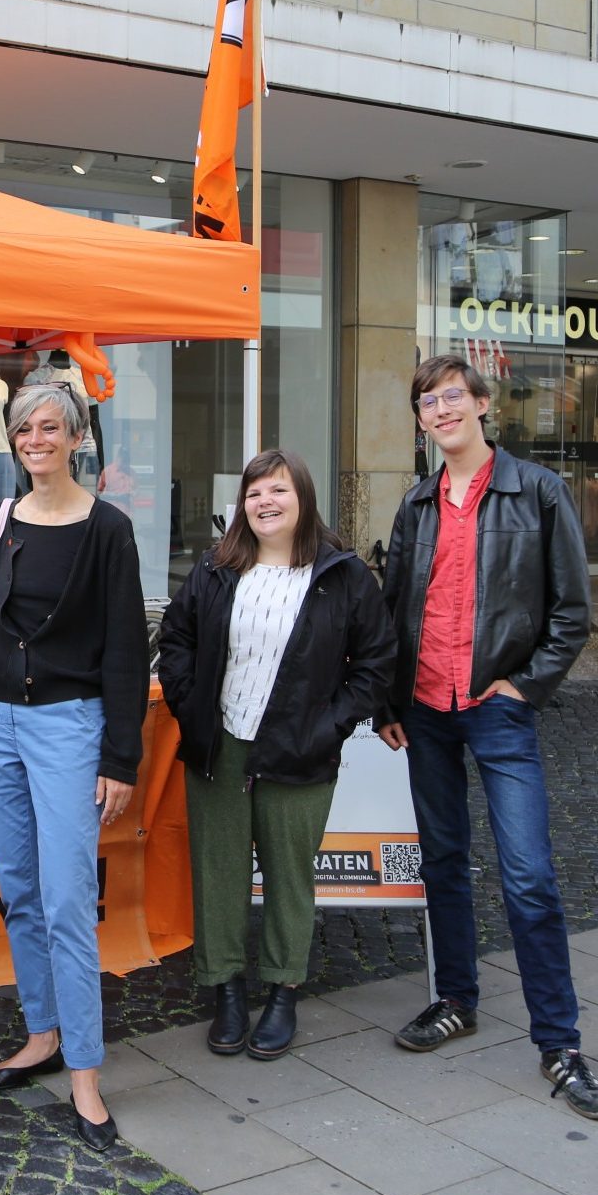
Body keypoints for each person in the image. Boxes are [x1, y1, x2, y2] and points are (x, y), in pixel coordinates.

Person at [377, 355, 598, 1120]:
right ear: (418, 418)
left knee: (529, 877)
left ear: (480, 405)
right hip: (423, 707)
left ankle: (559, 1041)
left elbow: (571, 611)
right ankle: (455, 998)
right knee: (443, 860)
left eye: (451, 396)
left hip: (495, 705)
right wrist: (387, 697)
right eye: (426, 400)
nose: (439, 409)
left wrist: (523, 685)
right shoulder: (414, 503)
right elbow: (391, 613)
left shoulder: (536, 489)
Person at [0, 382, 149, 1151]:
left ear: (75, 438)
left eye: (49, 426)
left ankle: (85, 1075)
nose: (35, 439)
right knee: (19, 889)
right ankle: (41, 1032)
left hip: (68, 726)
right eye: (24, 428)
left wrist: (119, 754)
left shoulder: (107, 529)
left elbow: (127, 648)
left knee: (66, 899)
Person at [158, 450, 393, 1060]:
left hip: (299, 749)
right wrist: (189, 704)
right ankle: (227, 990)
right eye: (254, 492)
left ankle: (283, 990)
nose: (265, 502)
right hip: (221, 744)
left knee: (290, 874)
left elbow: (375, 663)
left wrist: (330, 726)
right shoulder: (215, 569)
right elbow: (176, 639)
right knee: (220, 870)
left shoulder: (342, 576)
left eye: (278, 491)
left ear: (303, 499)